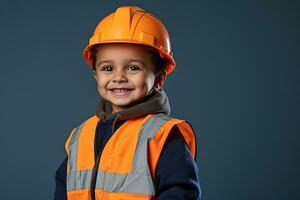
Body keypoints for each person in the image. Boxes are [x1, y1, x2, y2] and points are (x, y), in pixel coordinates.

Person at [54, 5, 201, 200]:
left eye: (133, 68)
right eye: (108, 68)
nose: (119, 77)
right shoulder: (80, 136)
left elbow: (180, 193)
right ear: (95, 75)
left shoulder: (163, 136)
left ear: (159, 78)